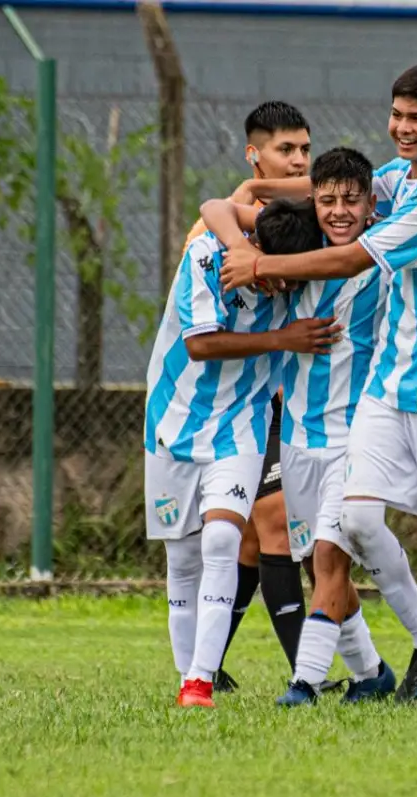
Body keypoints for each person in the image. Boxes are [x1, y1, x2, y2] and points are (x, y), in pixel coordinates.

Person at [206, 64, 417, 710]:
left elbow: (352, 257)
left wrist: (261, 263)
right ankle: (403, 654)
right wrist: (240, 230)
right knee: (359, 523)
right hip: (390, 387)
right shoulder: (390, 180)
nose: (402, 127)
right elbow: (248, 194)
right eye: (397, 114)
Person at [145, 198, 337, 708]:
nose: (284, 289)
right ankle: (186, 669)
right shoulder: (207, 257)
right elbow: (201, 344)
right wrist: (282, 338)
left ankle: (199, 682)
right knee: (182, 559)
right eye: (277, 278)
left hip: (242, 424)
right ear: (257, 254)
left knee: (223, 538)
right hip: (173, 422)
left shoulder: (298, 252)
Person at [181, 101, 314, 690]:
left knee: (259, 540)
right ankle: (303, 676)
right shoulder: (223, 226)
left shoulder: (311, 215)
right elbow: (213, 218)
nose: (299, 161)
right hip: (242, 404)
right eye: (286, 150)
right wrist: (243, 237)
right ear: (254, 153)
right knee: (271, 521)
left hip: (299, 395)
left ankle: (209, 665)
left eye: (304, 150)